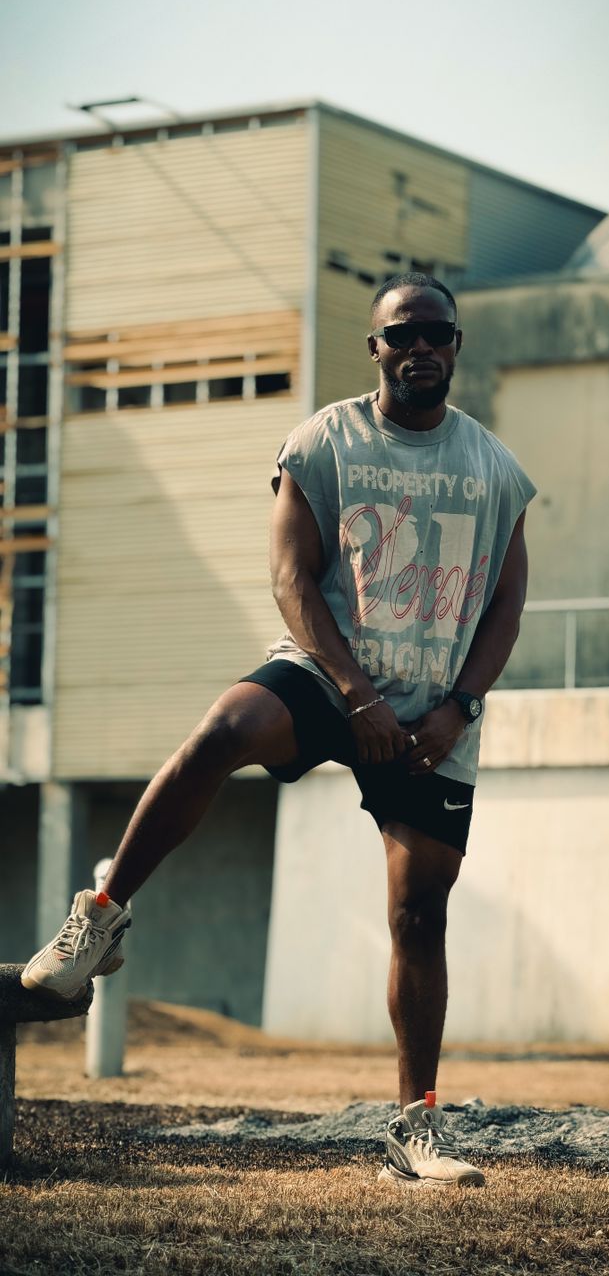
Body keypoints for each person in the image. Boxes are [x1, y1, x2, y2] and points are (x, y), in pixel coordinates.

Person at [22, 272, 536, 1190]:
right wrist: (355, 692)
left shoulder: (496, 468)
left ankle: (414, 1133)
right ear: (374, 347)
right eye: (401, 333)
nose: (420, 346)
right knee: (224, 729)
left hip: (433, 711)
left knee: (420, 914)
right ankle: (97, 922)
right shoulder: (323, 441)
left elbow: (505, 605)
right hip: (329, 675)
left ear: (457, 345)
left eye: (436, 332)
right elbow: (293, 580)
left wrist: (459, 705)